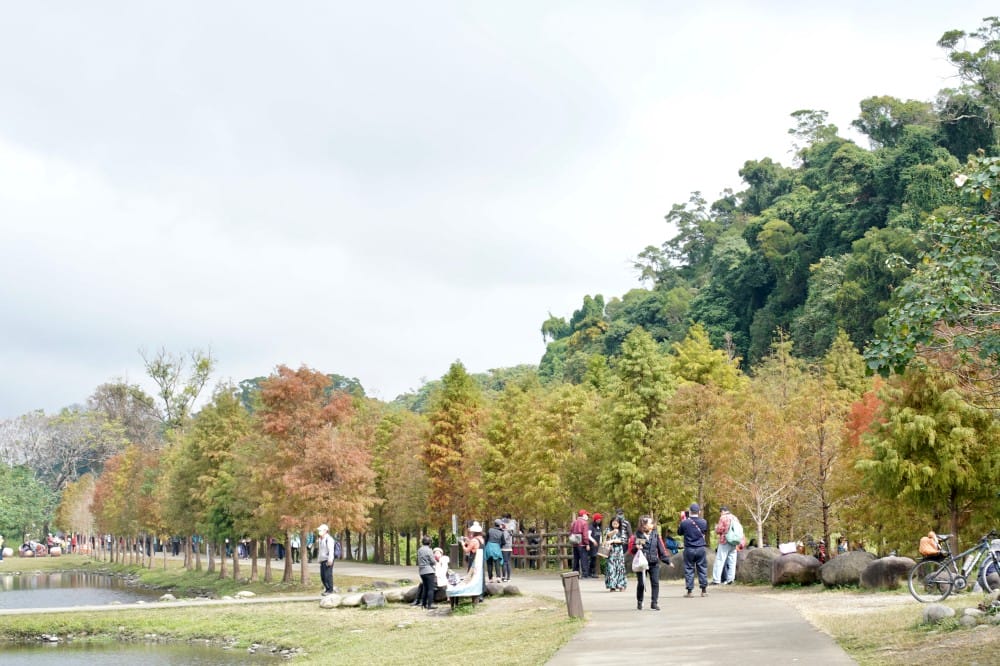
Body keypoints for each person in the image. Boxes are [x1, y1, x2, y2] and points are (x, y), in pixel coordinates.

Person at [627, 515, 671, 610]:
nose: (652, 525)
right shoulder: (639, 535)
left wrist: (667, 561)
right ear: (644, 525)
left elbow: (661, 549)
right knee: (641, 583)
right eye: (650, 523)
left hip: (654, 562)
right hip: (642, 563)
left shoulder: (655, 535)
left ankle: (654, 603)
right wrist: (636, 547)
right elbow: (634, 550)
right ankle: (640, 601)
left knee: (655, 583)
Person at [678, 503, 709, 597]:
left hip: (689, 548)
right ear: (699, 512)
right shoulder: (704, 522)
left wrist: (682, 521)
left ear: (690, 511)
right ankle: (703, 591)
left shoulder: (685, 522)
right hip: (700, 548)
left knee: (689, 569)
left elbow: (679, 533)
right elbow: (704, 532)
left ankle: (689, 591)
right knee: (702, 568)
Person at [711, 506, 739, 585]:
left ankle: (716, 580)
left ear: (722, 511)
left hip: (725, 541)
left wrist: (716, 527)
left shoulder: (723, 518)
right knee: (732, 561)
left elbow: (719, 529)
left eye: (720, 512)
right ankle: (731, 579)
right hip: (734, 541)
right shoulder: (735, 517)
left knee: (720, 560)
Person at [603, 516, 627, 592]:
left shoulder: (622, 531)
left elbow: (623, 540)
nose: (615, 524)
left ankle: (621, 585)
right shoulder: (608, 529)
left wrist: (612, 541)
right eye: (614, 522)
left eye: (617, 523)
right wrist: (613, 532)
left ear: (619, 523)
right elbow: (606, 537)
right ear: (611, 523)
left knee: (620, 568)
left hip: (619, 552)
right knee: (611, 569)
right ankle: (612, 586)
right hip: (610, 552)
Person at [416, 535, 437, 609]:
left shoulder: (420, 550)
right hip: (429, 571)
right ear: (430, 542)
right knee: (430, 589)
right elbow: (432, 561)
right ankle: (430, 605)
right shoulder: (429, 550)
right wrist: (436, 562)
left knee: (425, 588)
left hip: (421, 571)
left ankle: (423, 604)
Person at [570, 510, 592, 577]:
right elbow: (585, 534)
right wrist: (587, 544)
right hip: (582, 544)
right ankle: (585, 574)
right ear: (583, 515)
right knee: (584, 559)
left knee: (576, 559)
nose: (587, 517)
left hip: (575, 543)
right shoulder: (584, 523)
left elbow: (570, 532)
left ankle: (575, 574)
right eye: (587, 515)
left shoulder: (574, 522)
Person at [316, 524, 336, 596]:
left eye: (321, 530)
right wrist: (319, 559)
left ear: (325, 531)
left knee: (328, 576)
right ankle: (327, 589)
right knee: (323, 576)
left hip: (328, 560)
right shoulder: (320, 539)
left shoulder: (329, 539)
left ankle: (330, 590)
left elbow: (331, 551)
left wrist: (330, 560)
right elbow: (320, 551)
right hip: (322, 560)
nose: (319, 531)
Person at [588, 513, 603, 578]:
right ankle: (591, 572)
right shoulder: (591, 526)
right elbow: (588, 535)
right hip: (592, 545)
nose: (599, 520)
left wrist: (601, 542)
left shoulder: (599, 527)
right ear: (595, 520)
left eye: (600, 519)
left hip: (597, 545)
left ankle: (592, 572)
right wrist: (593, 541)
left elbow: (600, 536)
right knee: (592, 558)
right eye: (598, 519)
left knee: (594, 559)